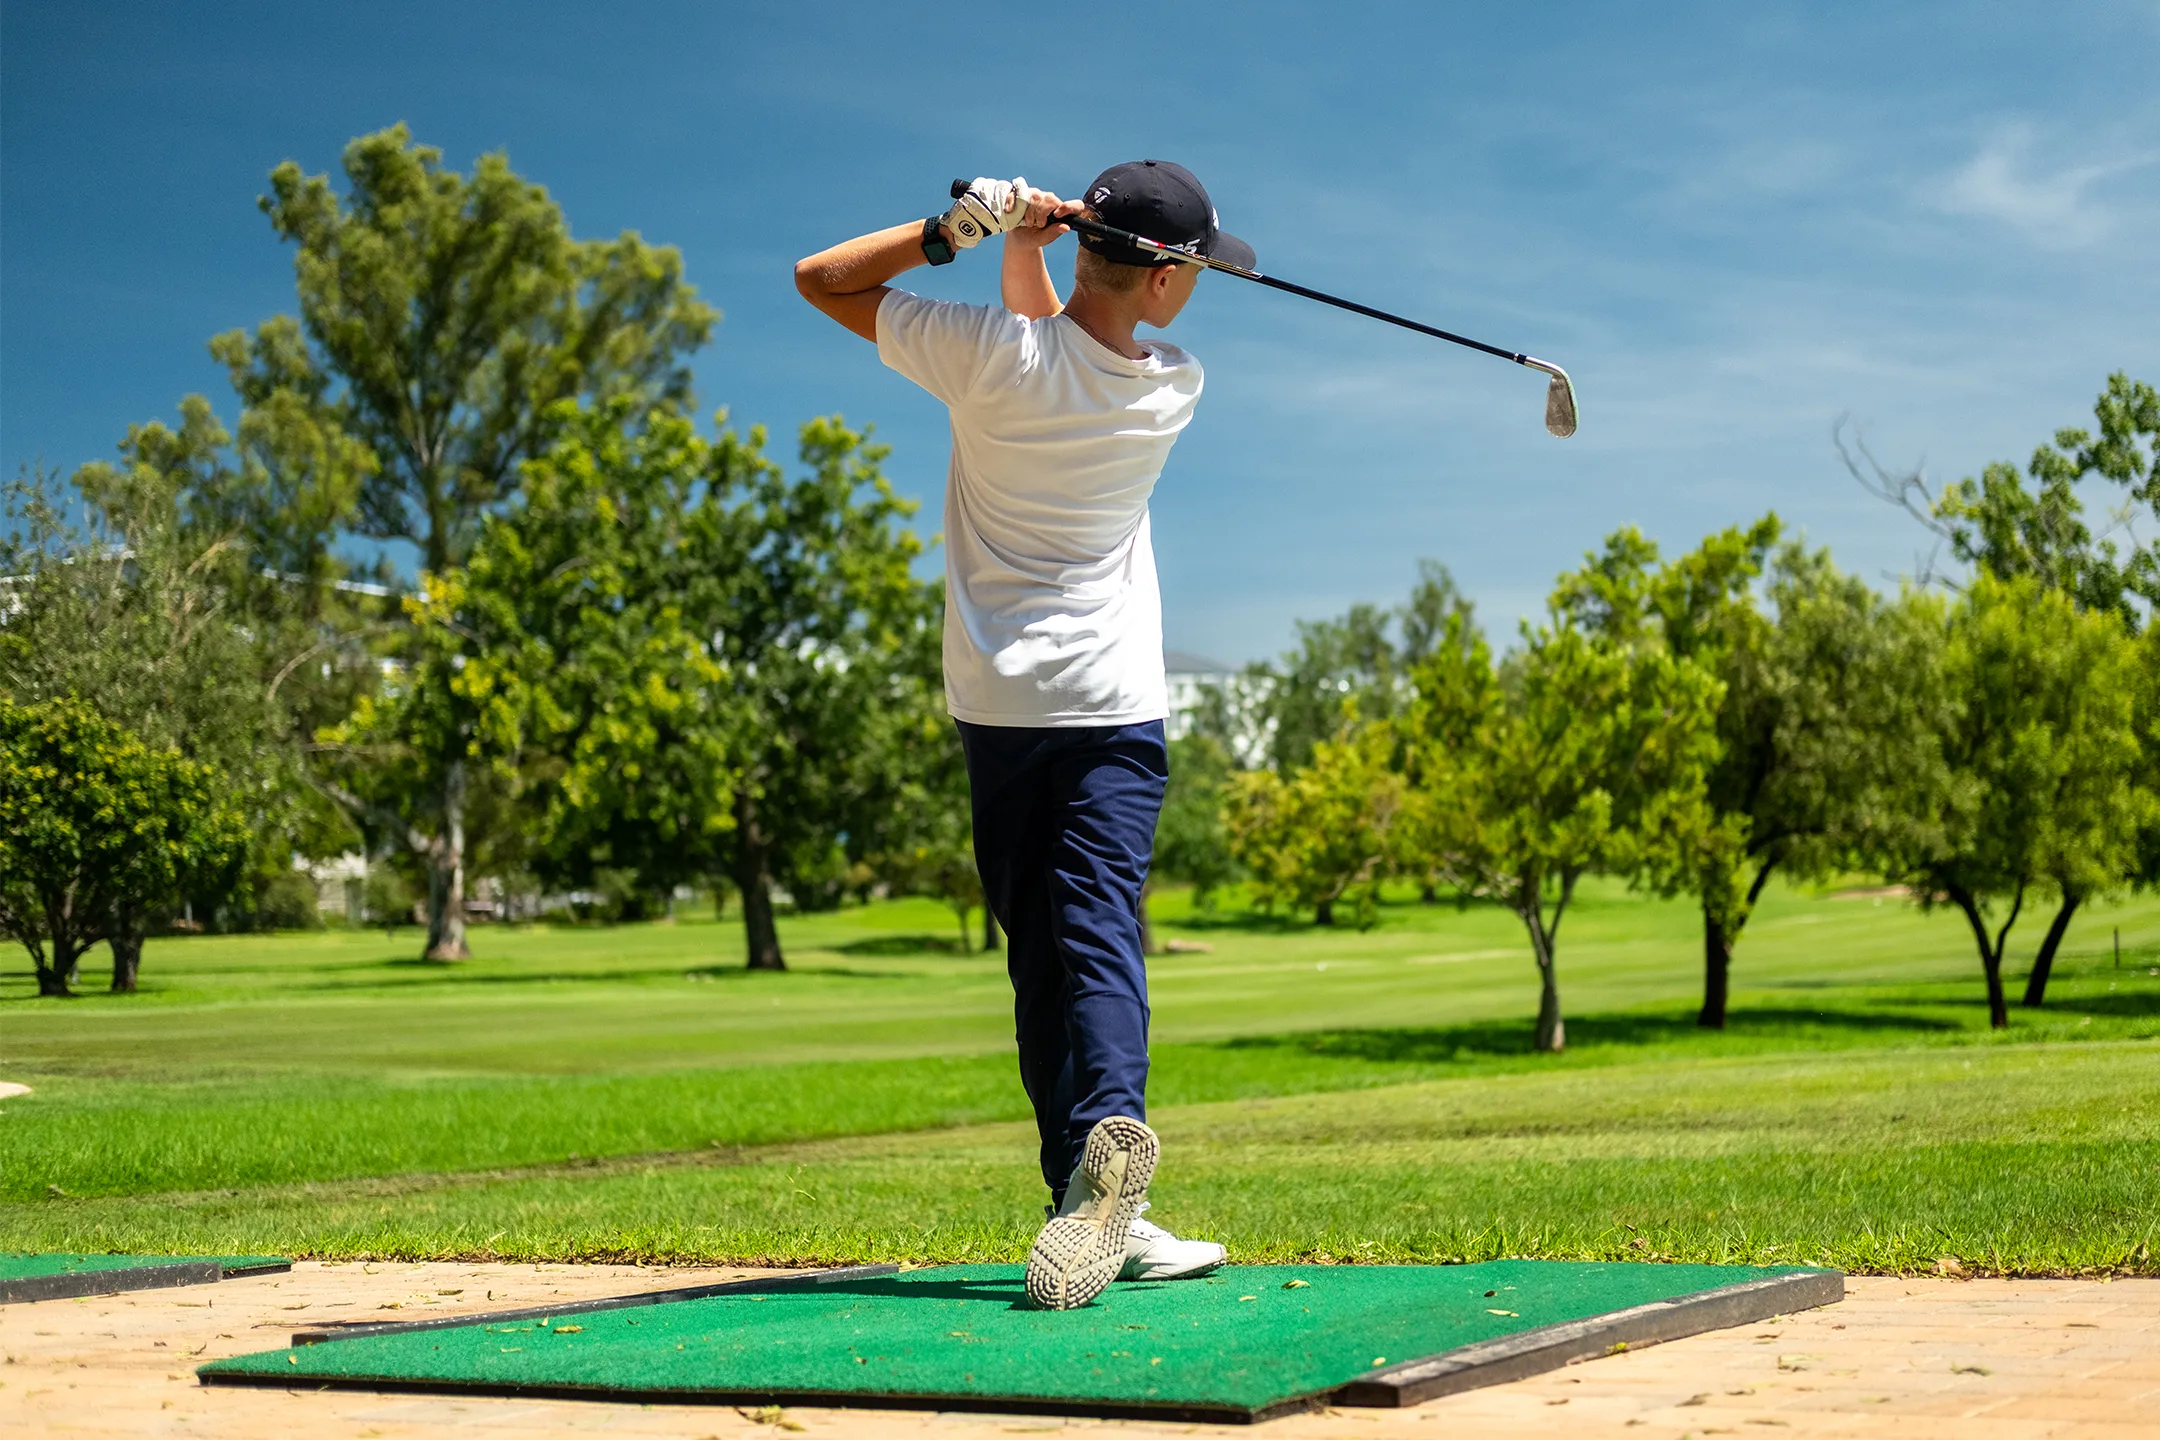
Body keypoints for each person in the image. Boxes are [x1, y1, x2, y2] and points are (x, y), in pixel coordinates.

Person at [794, 162, 1248, 1309]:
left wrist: (964, 230)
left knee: (1038, 955)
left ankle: (1082, 1197)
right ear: (1163, 284)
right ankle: (1107, 1156)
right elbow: (1063, 346)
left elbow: (823, 280)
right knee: (1098, 928)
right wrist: (1028, 256)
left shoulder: (988, 359)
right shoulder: (1172, 385)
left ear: (1084, 245)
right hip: (1109, 707)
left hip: (996, 710)